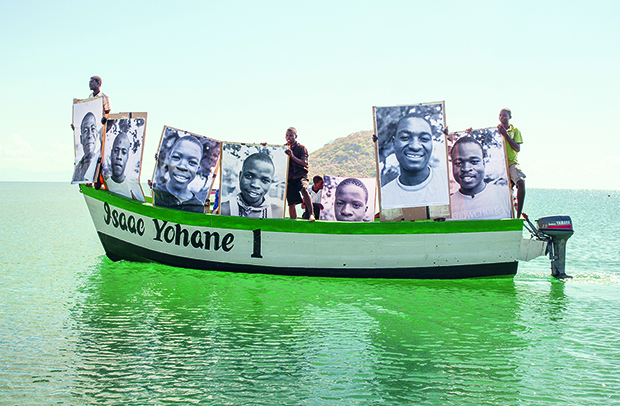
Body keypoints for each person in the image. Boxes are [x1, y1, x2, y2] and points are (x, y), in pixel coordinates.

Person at [380, 114, 449, 208]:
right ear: (394, 143)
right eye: (405, 138)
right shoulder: (384, 198)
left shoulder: (449, 185)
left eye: (424, 139)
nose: (415, 146)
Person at [449, 137, 512, 220]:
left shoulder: (504, 197)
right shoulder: (447, 207)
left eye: (474, 162)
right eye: (459, 163)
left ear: (484, 163)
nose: (466, 168)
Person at [220, 153, 284, 218]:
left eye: (265, 180)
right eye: (249, 176)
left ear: (270, 182)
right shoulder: (225, 210)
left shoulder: (277, 213)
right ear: (240, 176)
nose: (255, 185)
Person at [153, 135, 205, 213]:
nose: (182, 167)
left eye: (192, 162)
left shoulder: (198, 206)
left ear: (198, 168)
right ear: (168, 159)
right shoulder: (156, 194)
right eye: (176, 157)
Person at [497, 108, 526, 218]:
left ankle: (518, 214)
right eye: (500, 115)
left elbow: (517, 148)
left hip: (511, 162)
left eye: (504, 115)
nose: (502, 117)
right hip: (499, 164)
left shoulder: (515, 131)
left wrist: (506, 135)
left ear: (510, 117)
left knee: (521, 182)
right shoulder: (496, 130)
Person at [284, 127, 315, 221]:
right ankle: (293, 220)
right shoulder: (284, 148)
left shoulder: (301, 148)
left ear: (295, 136)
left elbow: (304, 162)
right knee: (291, 201)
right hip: (289, 178)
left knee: (304, 189)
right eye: (287, 136)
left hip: (300, 175)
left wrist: (292, 156)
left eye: (291, 136)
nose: (288, 138)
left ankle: (311, 214)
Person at [104, 132, 143, 200]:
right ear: (111, 153)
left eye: (124, 152)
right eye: (116, 151)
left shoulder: (133, 187)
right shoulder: (104, 182)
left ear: (128, 157)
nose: (119, 156)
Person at [72, 112, 100, 183]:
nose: (89, 135)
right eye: (85, 131)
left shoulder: (102, 164)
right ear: (81, 139)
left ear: (96, 135)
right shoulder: (78, 169)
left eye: (93, 129)